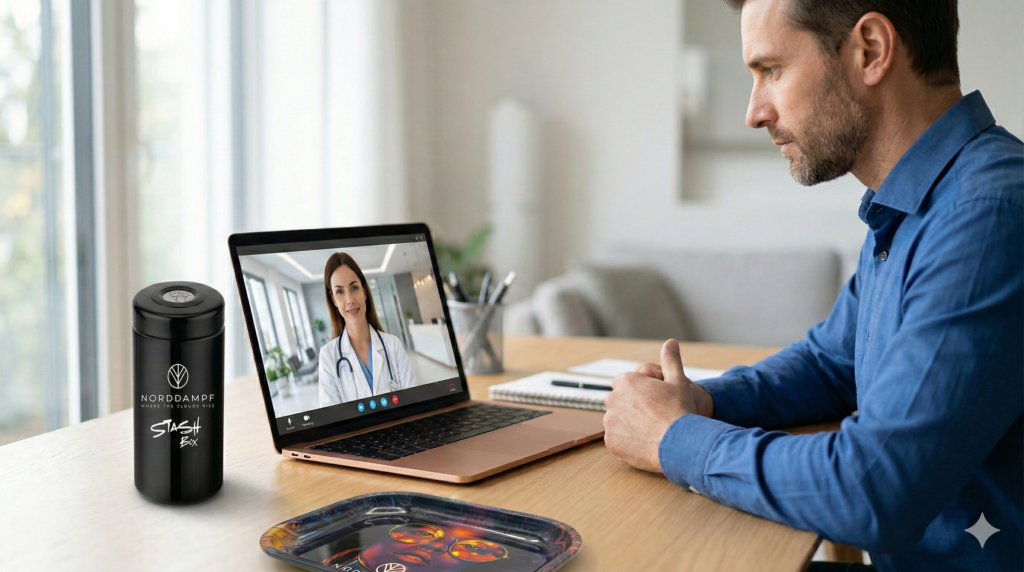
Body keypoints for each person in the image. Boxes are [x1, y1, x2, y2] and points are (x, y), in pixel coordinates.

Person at [602, 1, 1023, 571]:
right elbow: (831, 365)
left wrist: (671, 437)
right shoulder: (914, 206)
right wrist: (702, 402)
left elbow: (874, 488)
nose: (754, 112)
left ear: (870, 50)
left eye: (771, 70)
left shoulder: (987, 216)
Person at [318, 252, 418, 406]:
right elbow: (331, 417)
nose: (350, 300)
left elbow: (414, 404)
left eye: (354, 288)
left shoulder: (393, 345)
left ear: (364, 291)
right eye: (340, 292)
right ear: (333, 300)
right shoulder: (328, 356)